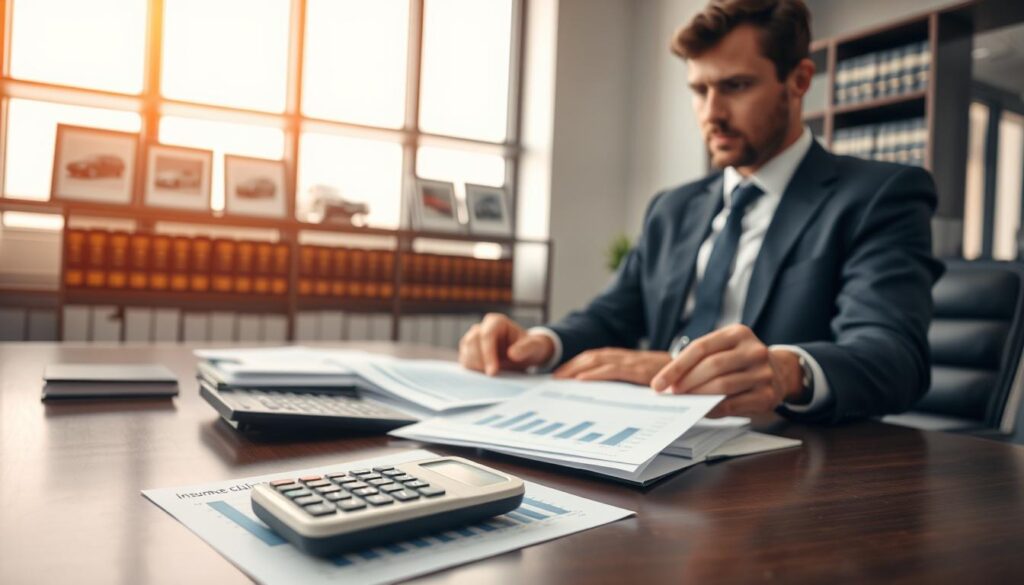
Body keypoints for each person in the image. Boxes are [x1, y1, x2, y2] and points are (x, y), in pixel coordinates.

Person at [458, 0, 943, 424]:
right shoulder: (673, 208)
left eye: (735, 85)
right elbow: (612, 316)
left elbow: (894, 358)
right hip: (647, 436)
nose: (711, 112)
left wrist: (783, 369)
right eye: (699, 89)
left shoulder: (879, 196)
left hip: (787, 461)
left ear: (798, 81)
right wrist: (540, 344)